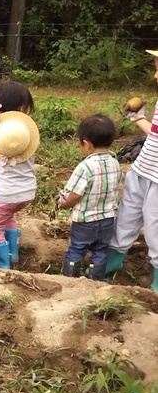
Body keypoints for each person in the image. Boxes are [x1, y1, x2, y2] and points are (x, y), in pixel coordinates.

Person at [105, 49, 158, 292]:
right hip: (143, 168)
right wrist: (138, 117)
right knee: (126, 217)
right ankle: (111, 264)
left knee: (155, 227)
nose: (156, 76)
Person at [0, 81, 38, 269]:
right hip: (27, 193)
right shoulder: (27, 134)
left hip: (5, 195)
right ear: (23, 108)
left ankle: (3, 266)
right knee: (9, 217)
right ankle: (14, 258)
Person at [57, 114, 122, 280]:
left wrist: (63, 203)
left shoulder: (85, 167)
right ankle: (95, 279)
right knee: (101, 250)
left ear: (86, 144)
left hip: (85, 221)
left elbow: (75, 194)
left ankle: (70, 279)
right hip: (108, 219)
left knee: (77, 249)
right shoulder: (115, 162)